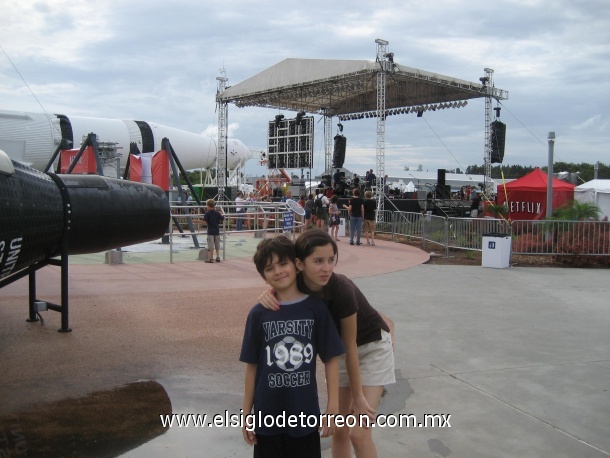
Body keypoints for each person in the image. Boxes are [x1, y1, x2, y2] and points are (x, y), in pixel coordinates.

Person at [258, 230, 395, 458]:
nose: (327, 268)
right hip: (340, 354)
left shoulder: (341, 288)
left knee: (358, 433)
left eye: (331, 260)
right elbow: (278, 283)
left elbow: (350, 344)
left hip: (372, 349)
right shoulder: (298, 284)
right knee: (339, 430)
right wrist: (267, 293)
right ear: (300, 264)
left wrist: (358, 396)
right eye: (318, 261)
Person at [240, 236, 345, 458]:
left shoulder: (316, 310)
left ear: (296, 265)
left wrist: (333, 406)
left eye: (283, 263)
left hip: (304, 413)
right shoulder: (258, 314)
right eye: (270, 268)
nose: (278, 271)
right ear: (264, 277)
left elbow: (331, 358)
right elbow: (252, 366)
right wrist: (246, 413)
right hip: (267, 415)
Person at [203, 199, 224, 263]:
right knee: (217, 245)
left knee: (210, 246)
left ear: (208, 206)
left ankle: (211, 258)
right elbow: (222, 218)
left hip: (210, 231)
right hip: (216, 231)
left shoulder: (207, 213)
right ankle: (218, 257)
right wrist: (222, 214)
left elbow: (204, 222)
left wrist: (196, 221)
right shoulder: (217, 213)